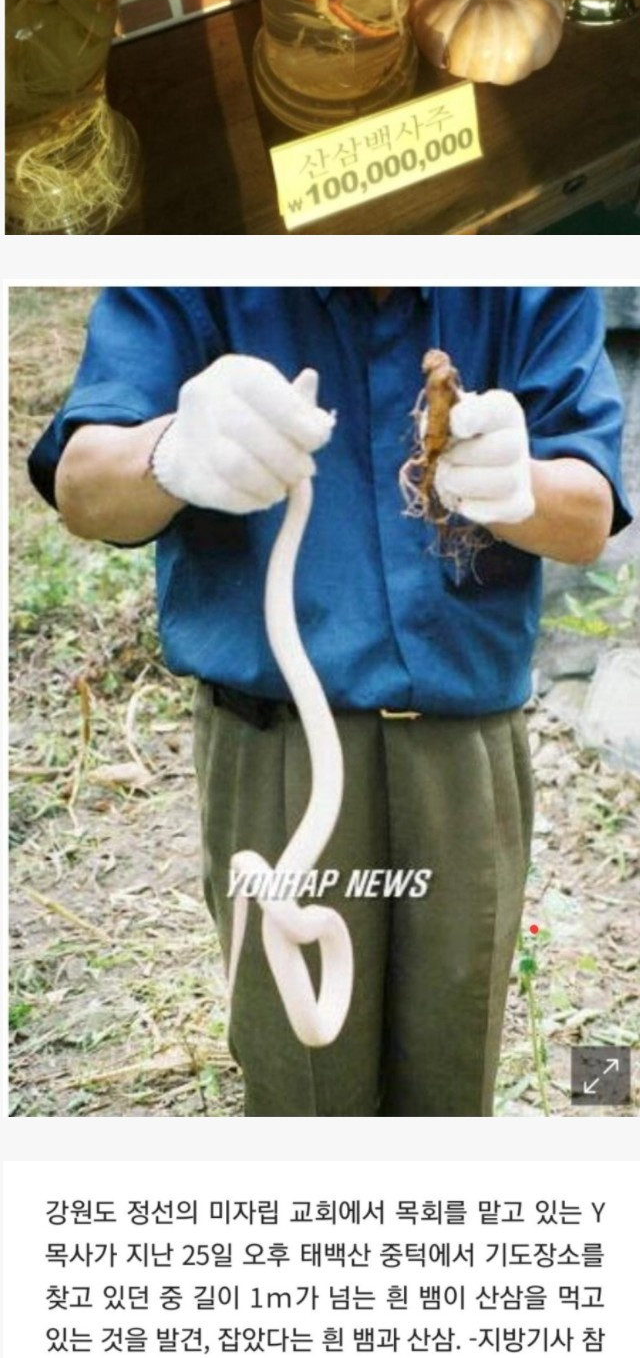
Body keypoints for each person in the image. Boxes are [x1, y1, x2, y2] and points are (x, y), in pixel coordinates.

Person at [28, 285, 630, 1118]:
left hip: (460, 763)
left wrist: (520, 484)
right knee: (300, 1080)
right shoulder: (197, 282)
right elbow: (84, 487)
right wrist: (171, 449)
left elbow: (588, 516)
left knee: (451, 1071)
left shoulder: (531, 286)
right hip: (275, 752)